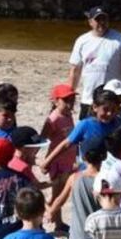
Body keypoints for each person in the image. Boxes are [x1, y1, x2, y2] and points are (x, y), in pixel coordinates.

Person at [68, 6, 121, 120]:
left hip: (114, 98)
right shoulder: (82, 41)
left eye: (104, 19)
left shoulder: (120, 39)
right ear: (90, 22)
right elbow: (75, 71)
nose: (102, 22)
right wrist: (70, 95)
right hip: (89, 99)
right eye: (98, 19)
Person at [41, 88, 121, 171]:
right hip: (88, 170)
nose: (109, 113)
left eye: (113, 110)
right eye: (105, 109)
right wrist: (47, 162)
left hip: (111, 170)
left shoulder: (118, 124)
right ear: (95, 107)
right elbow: (66, 144)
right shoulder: (86, 125)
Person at [40, 84, 78, 230]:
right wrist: (43, 161)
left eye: (72, 100)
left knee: (62, 192)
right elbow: (43, 138)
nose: (70, 104)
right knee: (58, 193)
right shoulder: (53, 119)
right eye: (66, 100)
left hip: (68, 160)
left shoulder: (68, 115)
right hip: (56, 162)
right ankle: (56, 220)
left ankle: (55, 218)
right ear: (56, 101)